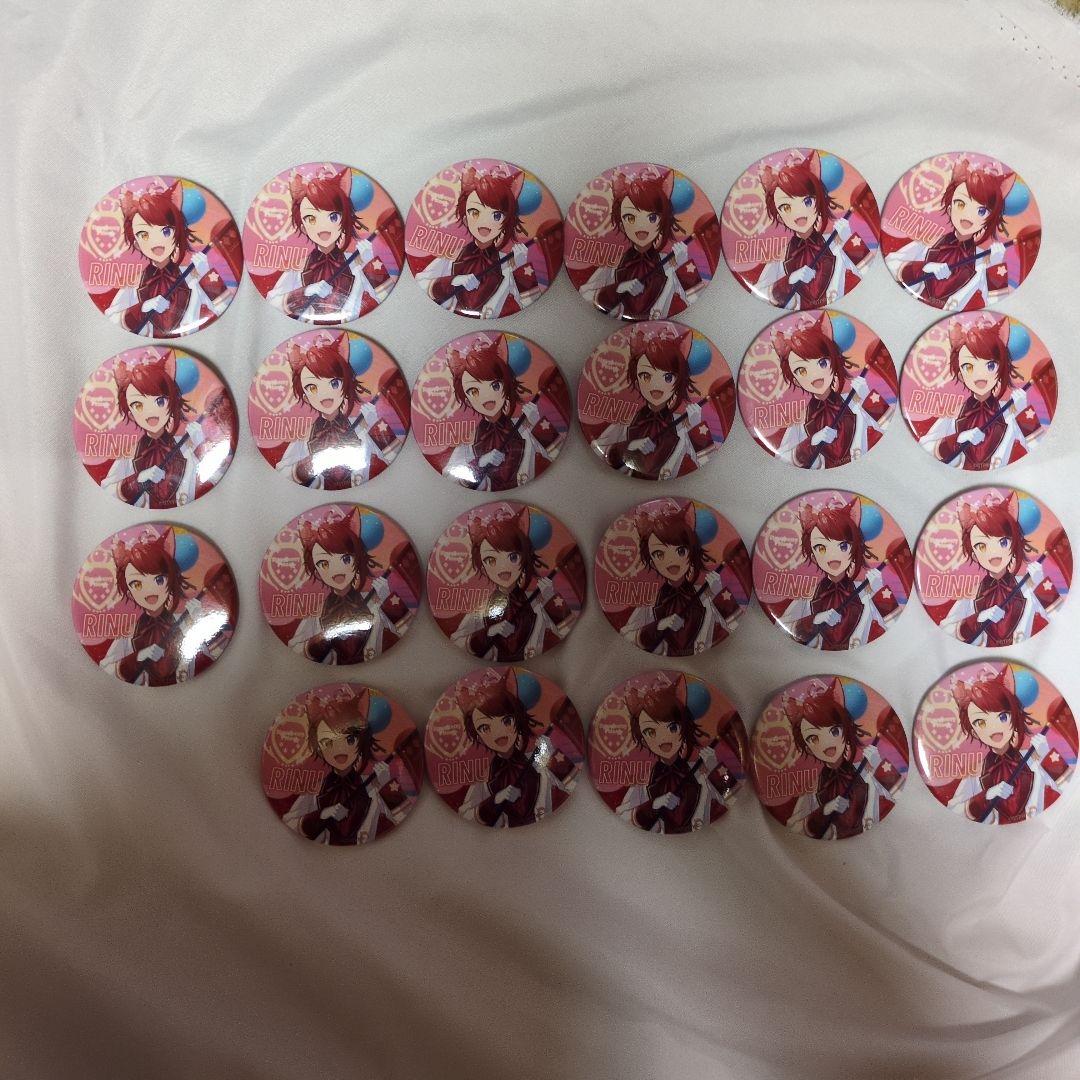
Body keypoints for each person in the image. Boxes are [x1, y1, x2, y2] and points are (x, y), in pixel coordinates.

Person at [283, 688, 408, 844]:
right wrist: (321, 815)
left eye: (350, 739)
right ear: (318, 748)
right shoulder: (315, 790)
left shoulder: (372, 785)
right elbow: (289, 822)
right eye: (327, 742)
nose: (339, 749)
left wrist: (386, 785)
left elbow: (402, 819)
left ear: (362, 740)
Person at [885, 158, 1014, 310]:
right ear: (950, 209)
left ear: (989, 219)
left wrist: (995, 265)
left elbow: (996, 301)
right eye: (961, 204)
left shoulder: (982, 260)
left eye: (981, 211)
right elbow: (892, 262)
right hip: (904, 305)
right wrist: (924, 268)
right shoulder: (930, 241)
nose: (968, 215)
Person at [275, 332, 399, 488]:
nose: (325, 393)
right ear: (306, 397)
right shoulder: (305, 436)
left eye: (334, 383)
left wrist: (376, 425)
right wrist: (309, 466)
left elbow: (393, 456)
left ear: (345, 386)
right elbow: (281, 471)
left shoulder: (362, 427)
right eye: (312, 387)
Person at [106, 180, 230, 337]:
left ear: (177, 234)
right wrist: (142, 308)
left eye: (166, 231)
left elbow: (222, 308)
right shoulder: (134, 283)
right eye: (144, 235)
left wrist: (206, 274)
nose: (156, 241)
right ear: (137, 243)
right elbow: (112, 317)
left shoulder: (193, 276)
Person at [451, 504, 574, 661]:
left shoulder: (538, 601)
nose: (503, 567)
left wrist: (550, 598)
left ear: (525, 558)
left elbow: (566, 632)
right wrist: (488, 633)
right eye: (490, 560)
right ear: (482, 567)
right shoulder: (480, 609)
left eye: (513, 557)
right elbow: (457, 640)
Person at [749, 150, 870, 309]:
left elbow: (866, 269)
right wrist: (789, 281)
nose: (799, 212)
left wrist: (848, 239)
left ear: (818, 203)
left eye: (807, 202)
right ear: (779, 216)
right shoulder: (780, 257)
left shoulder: (834, 241)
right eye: (786, 207)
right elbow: (758, 292)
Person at [455, 669, 576, 827]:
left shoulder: (538, 756)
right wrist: (496, 800)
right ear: (478, 737)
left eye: (506, 721)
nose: (498, 732)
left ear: (517, 721)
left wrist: (546, 753)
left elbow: (572, 785)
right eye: (485, 727)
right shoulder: (485, 782)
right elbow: (465, 814)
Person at [288, 508, 411, 664]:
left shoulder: (376, 602)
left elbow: (407, 631)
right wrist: (321, 642)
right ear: (317, 572)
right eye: (324, 563)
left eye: (345, 559)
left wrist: (388, 599)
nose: (337, 570)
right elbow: (295, 649)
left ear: (357, 560)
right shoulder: (316, 616)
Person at [592, 323, 714, 480]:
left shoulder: (683, 424)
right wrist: (630, 445)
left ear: (679, 382)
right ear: (637, 382)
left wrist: (694, 427)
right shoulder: (627, 420)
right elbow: (600, 449)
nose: (655, 385)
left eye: (667, 377)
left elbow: (701, 463)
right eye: (646, 376)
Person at [268, 167, 391, 321]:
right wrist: (304, 292)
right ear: (303, 228)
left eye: (333, 217)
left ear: (344, 221)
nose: (323, 226)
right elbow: (272, 300)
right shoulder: (298, 267)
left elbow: (383, 295)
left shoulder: (356, 261)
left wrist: (370, 262)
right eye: (311, 218)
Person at [620, 499, 741, 655]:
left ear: (692, 552)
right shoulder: (650, 603)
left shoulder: (707, 594)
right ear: (652, 562)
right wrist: (658, 626)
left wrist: (718, 593)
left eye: (680, 551)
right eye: (659, 554)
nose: (671, 560)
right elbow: (626, 634)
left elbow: (733, 627)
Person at [947, 666, 1068, 824]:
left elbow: (1068, 790)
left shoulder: (1033, 757)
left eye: (1003, 717)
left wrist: (1046, 756)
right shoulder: (975, 775)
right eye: (981, 722)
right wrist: (986, 797)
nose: (994, 728)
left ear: (1014, 717)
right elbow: (953, 810)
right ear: (974, 732)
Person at [416, 163, 538, 318]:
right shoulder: (453, 256)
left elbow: (529, 303)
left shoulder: (508, 263)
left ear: (506, 222)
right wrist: (453, 281)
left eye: (496, 215)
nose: (484, 222)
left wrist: (520, 268)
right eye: (475, 212)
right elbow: (422, 281)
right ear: (466, 220)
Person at [782, 678, 900, 839]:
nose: (826, 743)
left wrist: (877, 765)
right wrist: (824, 811)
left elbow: (898, 796)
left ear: (846, 730)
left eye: (834, 731)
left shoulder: (865, 769)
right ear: (808, 748)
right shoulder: (813, 789)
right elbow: (793, 827)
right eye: (813, 738)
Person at [580, 165, 702, 319]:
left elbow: (693, 296)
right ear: (622, 225)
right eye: (630, 217)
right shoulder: (613, 264)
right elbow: (586, 292)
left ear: (662, 221)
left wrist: (683, 264)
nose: (641, 226)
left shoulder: (670, 263)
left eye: (652, 218)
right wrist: (618, 288)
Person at [770, 312, 889, 468]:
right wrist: (810, 443)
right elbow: (782, 458)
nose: (815, 374)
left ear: (834, 362)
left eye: (822, 363)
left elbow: (888, 427)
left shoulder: (855, 401)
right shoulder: (801, 421)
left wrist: (867, 397)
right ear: (796, 381)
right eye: (802, 370)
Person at [920, 315, 1039, 469]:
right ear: (961, 375)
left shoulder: (1011, 410)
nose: (980, 375)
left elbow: (1036, 449)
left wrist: (1022, 412)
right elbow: (925, 445)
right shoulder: (954, 414)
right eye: (969, 367)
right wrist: (958, 439)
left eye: (990, 366)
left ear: (1001, 370)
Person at [616, 674, 731, 833]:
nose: (663, 738)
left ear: (684, 729)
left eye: (672, 728)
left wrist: (714, 766)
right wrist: (653, 805)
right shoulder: (643, 784)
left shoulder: (701, 773)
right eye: (650, 732)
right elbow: (621, 815)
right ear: (643, 740)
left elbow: (730, 798)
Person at [778, 498, 899, 650]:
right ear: (814, 557)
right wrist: (814, 620)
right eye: (821, 548)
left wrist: (879, 591)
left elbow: (893, 627)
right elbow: (783, 628)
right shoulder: (807, 596)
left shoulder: (865, 592)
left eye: (843, 546)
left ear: (854, 549)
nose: (833, 555)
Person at [442, 334, 559, 489]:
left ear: (507, 386)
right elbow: (450, 476)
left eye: (495, 385)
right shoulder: (467, 446)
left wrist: (537, 423)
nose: (486, 396)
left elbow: (555, 454)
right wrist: (480, 463)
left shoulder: (524, 427)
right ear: (468, 401)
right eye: (474, 391)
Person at [101, 349, 204, 507]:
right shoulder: (129, 454)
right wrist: (137, 480)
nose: (150, 412)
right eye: (138, 405)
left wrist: (200, 446)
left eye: (160, 401)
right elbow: (107, 489)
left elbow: (209, 476)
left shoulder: (187, 445)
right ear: (131, 414)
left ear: (172, 403)